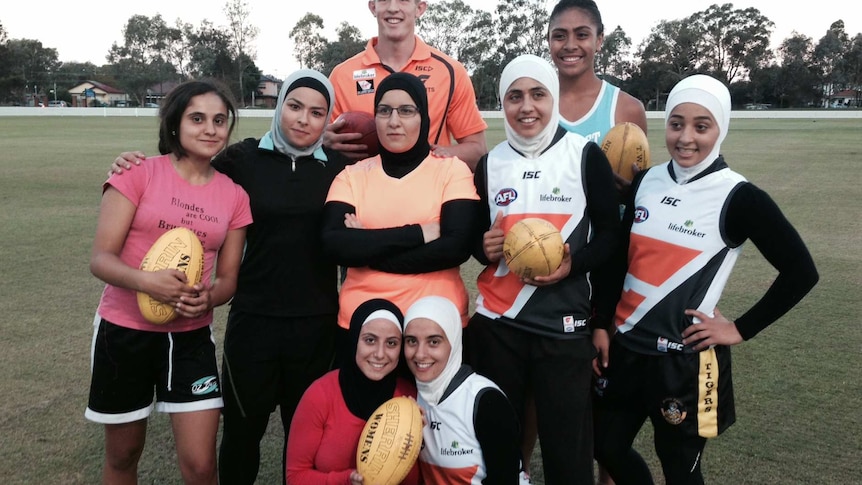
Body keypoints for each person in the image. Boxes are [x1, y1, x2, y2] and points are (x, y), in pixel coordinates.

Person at [107, 70, 349, 485]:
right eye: (293, 106)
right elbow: (187, 170)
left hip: (318, 325)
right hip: (253, 321)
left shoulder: (342, 170)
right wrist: (132, 162)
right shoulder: (243, 159)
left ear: (327, 118)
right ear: (279, 107)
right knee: (241, 433)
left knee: (308, 439)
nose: (303, 119)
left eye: (316, 112)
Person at [592, 74, 819, 484]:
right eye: (677, 123)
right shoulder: (647, 180)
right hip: (626, 348)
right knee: (604, 445)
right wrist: (601, 324)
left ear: (721, 128)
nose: (686, 138)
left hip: (683, 360)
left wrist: (738, 328)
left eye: (702, 125)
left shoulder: (739, 196)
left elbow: (801, 272)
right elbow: (617, 264)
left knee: (679, 466)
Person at [86, 79, 252, 484]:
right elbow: (100, 259)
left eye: (219, 120)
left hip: (191, 338)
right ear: (175, 124)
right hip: (124, 332)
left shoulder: (234, 196)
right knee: (124, 455)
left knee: (200, 464)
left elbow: (228, 279)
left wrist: (209, 298)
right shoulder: (138, 173)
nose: (210, 129)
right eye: (197, 119)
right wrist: (147, 282)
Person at [466, 54, 620, 485]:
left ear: (552, 98)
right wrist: (484, 247)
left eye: (537, 94)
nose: (526, 106)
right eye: (514, 96)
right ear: (502, 103)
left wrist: (574, 265)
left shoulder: (585, 155)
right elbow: (478, 240)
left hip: (564, 326)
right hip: (499, 325)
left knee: (567, 453)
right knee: (499, 446)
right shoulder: (490, 164)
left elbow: (611, 236)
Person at [322, 72, 480, 362]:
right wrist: (418, 234)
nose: (394, 121)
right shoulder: (351, 176)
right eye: (384, 111)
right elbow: (334, 244)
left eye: (406, 110)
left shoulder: (451, 170)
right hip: (361, 323)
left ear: (424, 117)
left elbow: (456, 248)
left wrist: (366, 249)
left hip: (436, 324)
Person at [325, 0, 487, 169]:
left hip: (429, 190)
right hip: (360, 191)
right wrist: (322, 143)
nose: (393, 8)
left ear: (420, 8)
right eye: (385, 0)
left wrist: (431, 156)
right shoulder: (341, 75)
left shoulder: (450, 72)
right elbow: (314, 145)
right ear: (373, 7)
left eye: (403, 0)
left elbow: (477, 150)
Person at [285, 298, 420, 485]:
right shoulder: (320, 395)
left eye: (391, 343)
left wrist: (420, 442)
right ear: (355, 339)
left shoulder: (411, 399)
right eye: (370, 340)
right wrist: (346, 480)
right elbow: (296, 477)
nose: (380, 354)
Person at [403, 295, 522, 484]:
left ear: (454, 341)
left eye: (433, 341)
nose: (420, 354)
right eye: (411, 341)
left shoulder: (485, 401)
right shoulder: (405, 397)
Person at [548, 0, 647, 143]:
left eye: (582, 35)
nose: (570, 45)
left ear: (599, 40)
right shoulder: (533, 105)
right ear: (548, 41)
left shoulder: (628, 109)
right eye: (559, 36)